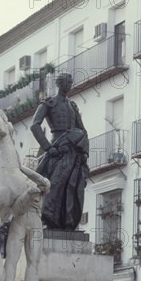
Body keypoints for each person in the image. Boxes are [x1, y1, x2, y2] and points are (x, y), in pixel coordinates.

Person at [30, 73, 89, 230]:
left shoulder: (72, 106)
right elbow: (34, 125)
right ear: (59, 84)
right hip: (57, 148)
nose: (69, 85)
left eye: (70, 82)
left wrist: (84, 153)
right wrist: (49, 148)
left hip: (73, 150)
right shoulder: (49, 103)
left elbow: (82, 130)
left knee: (72, 186)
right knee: (54, 185)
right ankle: (50, 219)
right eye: (66, 82)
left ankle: (68, 221)